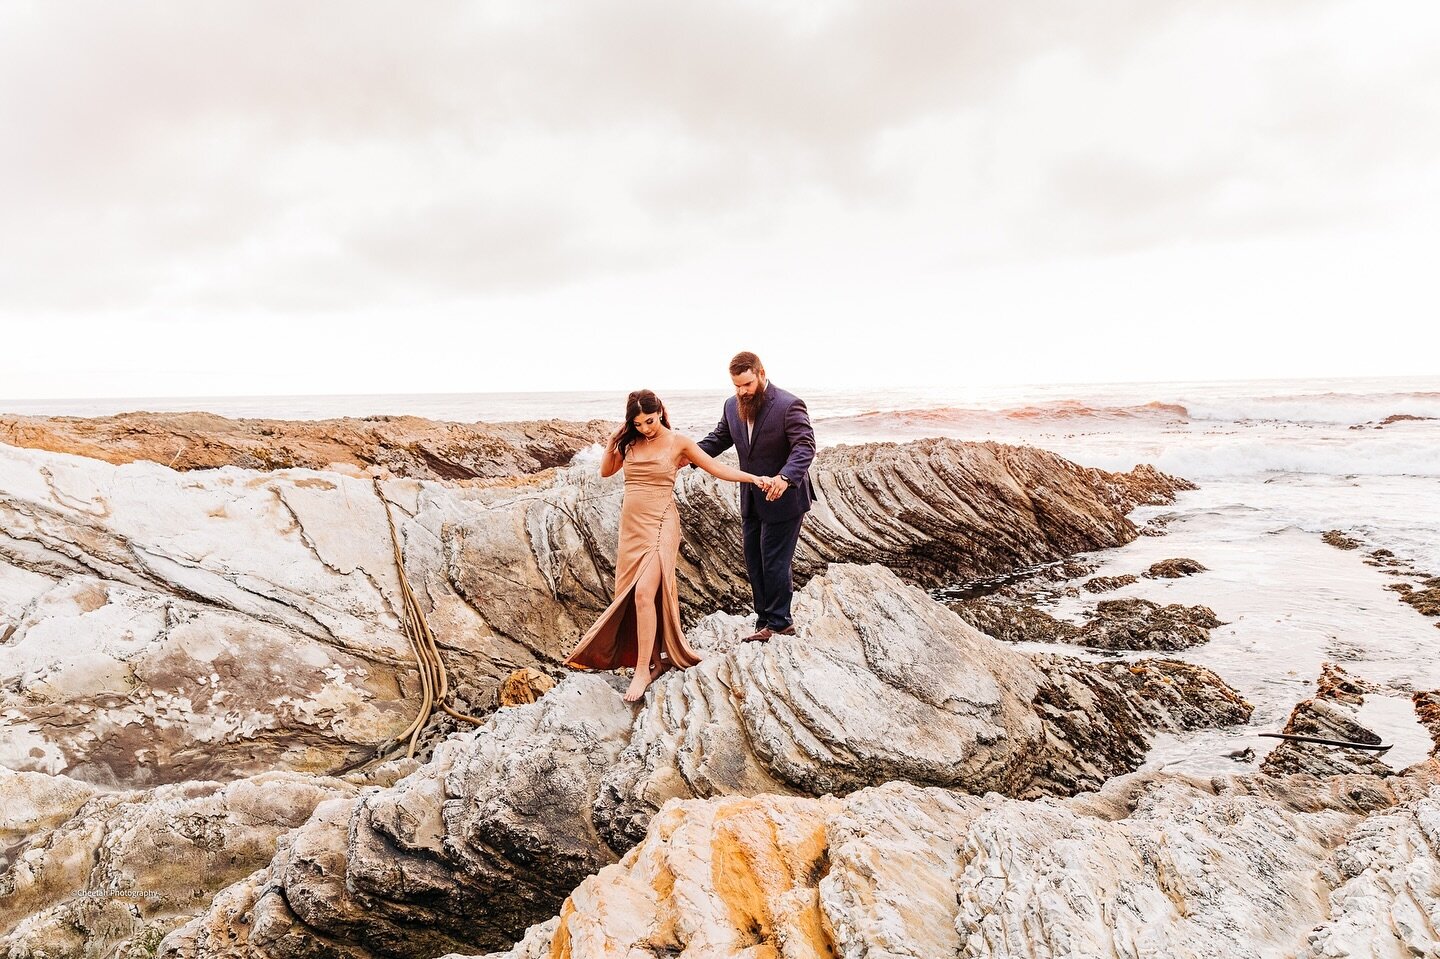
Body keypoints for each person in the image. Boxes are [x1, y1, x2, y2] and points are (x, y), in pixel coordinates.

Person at [566, 389, 772, 702]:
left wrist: (754, 479)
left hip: (661, 523)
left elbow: (716, 468)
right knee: (633, 596)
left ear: (660, 411)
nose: (646, 428)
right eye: (638, 424)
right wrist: (612, 440)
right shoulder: (630, 441)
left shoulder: (679, 443)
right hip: (631, 527)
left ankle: (641, 671)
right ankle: (655, 662)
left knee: (644, 592)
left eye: (649, 420)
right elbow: (607, 471)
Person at [696, 352, 816, 643]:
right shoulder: (731, 406)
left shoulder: (789, 405)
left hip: (784, 498)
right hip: (750, 498)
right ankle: (764, 620)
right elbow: (718, 440)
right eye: (736, 385)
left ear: (761, 374)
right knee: (754, 560)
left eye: (747, 384)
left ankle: (780, 622)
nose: (742, 391)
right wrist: (684, 454)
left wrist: (785, 478)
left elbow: (805, 446)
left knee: (774, 561)